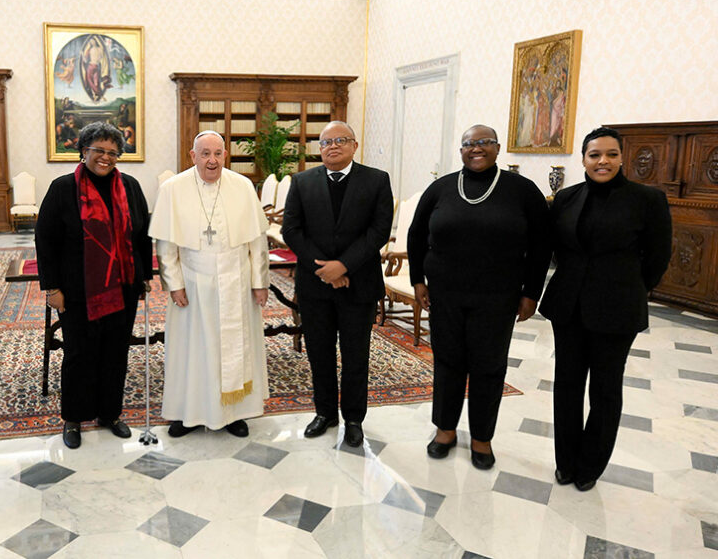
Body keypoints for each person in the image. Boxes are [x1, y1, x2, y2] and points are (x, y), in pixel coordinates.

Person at [408, 124, 551, 469]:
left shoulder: (522, 190)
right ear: (460, 151)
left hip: (498, 297)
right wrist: (418, 281)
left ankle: (481, 438)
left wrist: (531, 292)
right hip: (445, 294)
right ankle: (444, 430)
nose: (477, 149)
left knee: (488, 366)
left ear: (498, 148)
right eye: (469, 144)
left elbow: (543, 244)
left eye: (484, 142)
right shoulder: (441, 188)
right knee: (447, 362)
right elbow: (416, 234)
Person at [540, 127, 672, 491]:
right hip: (568, 305)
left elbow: (658, 257)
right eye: (595, 154)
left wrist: (632, 289)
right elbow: (554, 250)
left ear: (622, 158)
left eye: (611, 154)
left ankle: (590, 466)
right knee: (566, 385)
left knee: (606, 389)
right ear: (583, 159)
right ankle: (565, 462)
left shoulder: (647, 199)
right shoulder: (565, 199)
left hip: (617, 308)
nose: (603, 161)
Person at [35, 122, 152, 449]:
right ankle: (73, 418)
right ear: (83, 150)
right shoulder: (62, 188)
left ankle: (110, 414)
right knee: (78, 354)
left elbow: (141, 235)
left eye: (113, 152)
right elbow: (45, 240)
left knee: (115, 353)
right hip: (77, 290)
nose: (105, 157)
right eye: (98, 150)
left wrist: (143, 276)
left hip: (123, 286)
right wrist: (52, 287)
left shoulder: (130, 187)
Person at [150, 130, 270, 438]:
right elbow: (165, 244)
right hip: (193, 283)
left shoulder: (242, 186)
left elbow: (257, 241)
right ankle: (186, 414)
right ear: (192, 156)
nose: (212, 160)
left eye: (217, 153)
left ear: (226, 155)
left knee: (236, 349)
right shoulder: (173, 188)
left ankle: (235, 413)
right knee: (192, 350)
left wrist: (260, 282)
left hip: (237, 283)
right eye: (205, 153)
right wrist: (174, 283)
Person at [282, 121, 393, 447]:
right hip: (315, 285)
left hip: (358, 284)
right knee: (319, 352)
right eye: (326, 142)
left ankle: (354, 419)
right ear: (320, 148)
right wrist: (325, 269)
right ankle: (325, 413)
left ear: (354, 145)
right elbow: (292, 229)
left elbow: (379, 230)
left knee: (356, 354)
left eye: (340, 140)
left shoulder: (376, 180)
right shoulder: (302, 182)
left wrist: (343, 266)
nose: (332, 146)